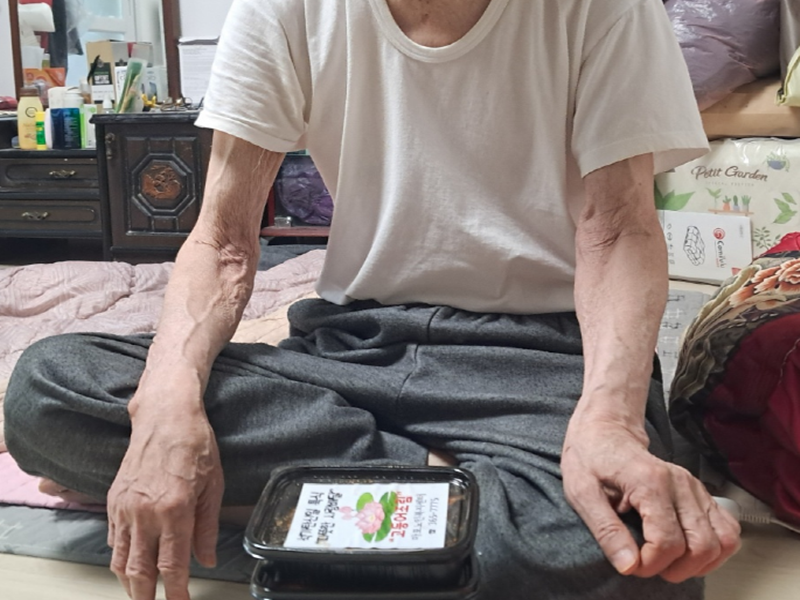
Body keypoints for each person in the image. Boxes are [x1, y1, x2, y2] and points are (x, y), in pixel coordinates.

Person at [4, 1, 741, 599]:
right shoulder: (283, 8)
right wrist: (166, 408)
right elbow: (223, 240)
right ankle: (462, 491)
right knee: (48, 391)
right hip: (353, 348)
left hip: (541, 358)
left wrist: (610, 421)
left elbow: (618, 231)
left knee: (625, 557)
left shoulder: (607, 8)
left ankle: (299, 504)